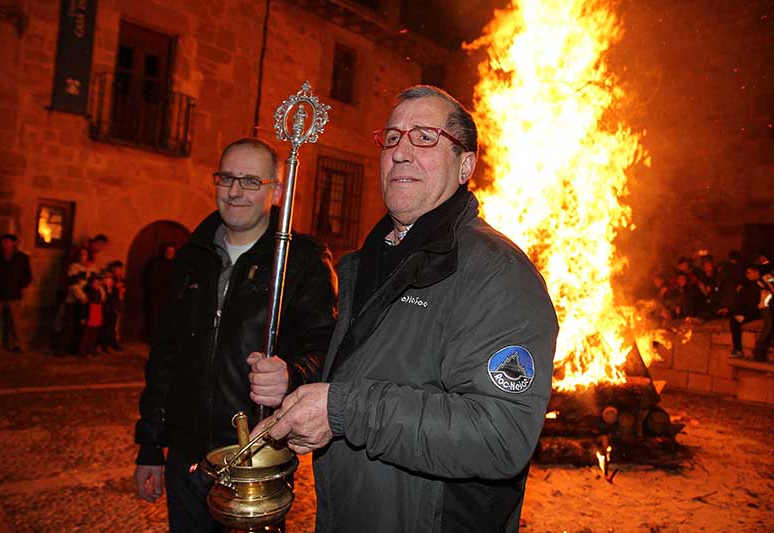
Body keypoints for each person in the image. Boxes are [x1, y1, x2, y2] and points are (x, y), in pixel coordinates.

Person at [254, 86, 559, 533]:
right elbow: (371, 373)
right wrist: (299, 382)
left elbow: (500, 436)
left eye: (424, 137)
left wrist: (342, 410)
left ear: (465, 166)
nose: (400, 152)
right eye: (392, 137)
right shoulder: (366, 262)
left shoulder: (497, 275)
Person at [133, 138, 338, 533]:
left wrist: (291, 375)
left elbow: (325, 351)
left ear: (276, 191)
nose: (234, 191)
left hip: (257, 455)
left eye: (249, 181)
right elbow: (165, 358)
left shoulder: (303, 260)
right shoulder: (192, 256)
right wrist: (150, 446)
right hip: (187, 456)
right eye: (226, 177)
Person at [0, 234, 32, 352]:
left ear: (14, 243)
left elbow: (27, 275)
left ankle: (17, 345)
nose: (5, 244)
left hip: (14, 293)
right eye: (3, 242)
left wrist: (19, 286)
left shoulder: (22, 258)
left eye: (7, 241)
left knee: (15, 322)